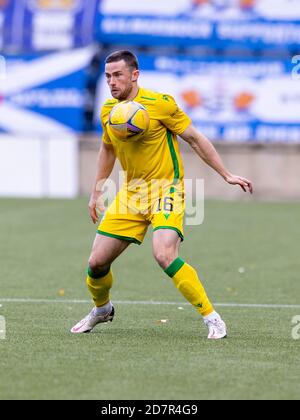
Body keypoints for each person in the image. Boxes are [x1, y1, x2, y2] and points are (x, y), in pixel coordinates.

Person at [71, 50, 253, 338]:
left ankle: (211, 317)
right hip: (131, 193)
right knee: (96, 263)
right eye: (107, 76)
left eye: (118, 75)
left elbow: (194, 137)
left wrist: (226, 174)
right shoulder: (109, 111)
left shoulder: (161, 103)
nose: (111, 82)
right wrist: (97, 190)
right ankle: (102, 309)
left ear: (135, 75)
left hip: (166, 189)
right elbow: (107, 148)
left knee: (164, 253)